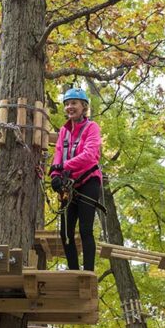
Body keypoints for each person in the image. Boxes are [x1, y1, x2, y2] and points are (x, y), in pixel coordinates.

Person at [49, 88, 102, 271]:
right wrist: (55, 175)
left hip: (89, 182)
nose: (69, 107)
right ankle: (73, 271)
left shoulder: (91, 128)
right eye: (67, 104)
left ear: (83, 106)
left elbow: (89, 155)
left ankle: (87, 272)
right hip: (69, 185)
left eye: (73, 103)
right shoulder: (64, 131)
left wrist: (63, 167)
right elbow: (58, 153)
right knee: (65, 232)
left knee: (85, 229)